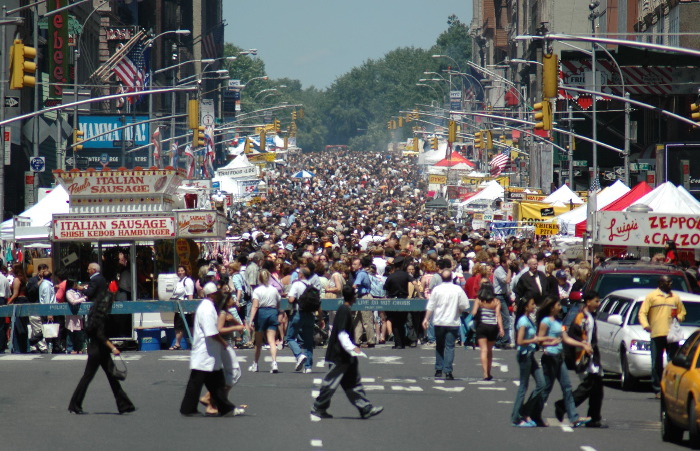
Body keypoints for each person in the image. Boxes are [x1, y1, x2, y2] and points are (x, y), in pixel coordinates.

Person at [311, 284, 384, 420]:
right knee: (331, 382)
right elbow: (342, 334)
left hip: (346, 356)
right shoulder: (344, 311)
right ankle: (318, 406)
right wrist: (353, 348)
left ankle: (365, 408)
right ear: (353, 297)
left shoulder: (344, 309)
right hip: (339, 355)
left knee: (352, 383)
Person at [68, 289, 135, 415]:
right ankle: (74, 404)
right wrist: (113, 347)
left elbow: (93, 332)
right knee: (92, 377)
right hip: (100, 350)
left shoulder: (94, 313)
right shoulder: (103, 316)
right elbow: (101, 335)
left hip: (95, 348)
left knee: (109, 376)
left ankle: (124, 404)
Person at [180, 283, 242, 417]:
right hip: (205, 351)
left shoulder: (206, 307)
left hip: (207, 352)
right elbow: (211, 332)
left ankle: (224, 408)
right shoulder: (208, 309)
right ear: (213, 294)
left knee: (213, 383)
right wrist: (223, 342)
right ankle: (190, 409)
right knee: (200, 383)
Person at [536, 296, 591, 428]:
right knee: (546, 389)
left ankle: (574, 417)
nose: (560, 307)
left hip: (559, 358)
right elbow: (539, 340)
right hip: (550, 358)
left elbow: (566, 339)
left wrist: (582, 344)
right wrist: (550, 341)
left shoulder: (558, 322)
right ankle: (535, 414)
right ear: (551, 307)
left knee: (567, 387)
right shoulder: (545, 321)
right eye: (558, 305)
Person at [555, 291, 606, 428]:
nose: (598, 304)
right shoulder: (581, 317)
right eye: (596, 301)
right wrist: (582, 350)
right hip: (583, 358)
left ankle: (594, 418)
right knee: (586, 388)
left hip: (592, 357)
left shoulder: (590, 316)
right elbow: (573, 337)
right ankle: (562, 405)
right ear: (588, 302)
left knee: (597, 389)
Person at [638, 275, 686, 398]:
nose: (670, 284)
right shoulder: (652, 296)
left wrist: (679, 317)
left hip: (672, 335)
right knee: (656, 363)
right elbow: (642, 313)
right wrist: (646, 325)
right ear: (660, 283)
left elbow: (682, 312)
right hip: (657, 333)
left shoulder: (675, 297)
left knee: (672, 363)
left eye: (670, 282)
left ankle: (671, 388)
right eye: (667, 282)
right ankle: (657, 388)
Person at [200, 291, 245, 416]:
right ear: (226, 300)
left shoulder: (227, 313)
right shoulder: (223, 313)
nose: (234, 300)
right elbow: (219, 329)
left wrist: (236, 323)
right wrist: (235, 327)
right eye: (232, 298)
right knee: (234, 373)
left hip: (226, 344)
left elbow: (239, 326)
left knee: (227, 374)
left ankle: (215, 402)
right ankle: (213, 400)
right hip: (223, 345)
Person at [510, 295, 551, 427]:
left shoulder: (528, 319)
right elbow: (520, 341)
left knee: (541, 384)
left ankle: (525, 410)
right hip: (524, 355)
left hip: (530, 355)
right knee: (523, 387)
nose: (534, 306)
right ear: (526, 306)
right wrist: (534, 340)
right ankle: (516, 417)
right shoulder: (523, 321)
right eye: (532, 304)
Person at [422, 269, 469, 380]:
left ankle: (438, 369)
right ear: (452, 278)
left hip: (439, 321)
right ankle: (448, 371)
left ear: (441, 278)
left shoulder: (437, 289)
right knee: (450, 346)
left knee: (439, 345)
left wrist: (426, 319)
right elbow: (465, 305)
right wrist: (459, 310)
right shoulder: (457, 289)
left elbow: (431, 305)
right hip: (453, 321)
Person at [285, 267, 323, 373]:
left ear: (301, 275)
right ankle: (308, 366)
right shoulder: (313, 286)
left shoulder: (296, 284)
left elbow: (291, 299)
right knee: (308, 341)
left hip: (298, 313)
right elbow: (318, 304)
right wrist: (320, 319)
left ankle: (299, 355)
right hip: (310, 315)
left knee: (290, 337)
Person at [247, 269, 281, 373]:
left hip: (261, 313)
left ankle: (255, 364)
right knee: (271, 340)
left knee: (258, 341)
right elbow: (278, 303)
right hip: (272, 312)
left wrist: (250, 320)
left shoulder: (257, 290)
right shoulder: (274, 290)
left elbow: (255, 305)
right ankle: (274, 362)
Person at [471, 282, 503, 380]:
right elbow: (498, 315)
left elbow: (474, 313)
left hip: (482, 326)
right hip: (492, 327)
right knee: (489, 350)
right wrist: (501, 328)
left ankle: (485, 373)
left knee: (483, 350)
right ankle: (489, 372)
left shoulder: (479, 300)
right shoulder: (496, 301)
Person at [384, 257, 410, 349]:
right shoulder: (406, 275)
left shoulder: (391, 276)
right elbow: (414, 282)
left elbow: (385, 288)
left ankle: (398, 343)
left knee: (395, 322)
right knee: (402, 322)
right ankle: (402, 342)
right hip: (403, 299)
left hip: (393, 300)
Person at [351, 256, 375, 348]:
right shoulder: (359, 273)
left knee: (366, 320)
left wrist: (349, 291)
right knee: (358, 320)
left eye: (355, 264)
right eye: (352, 264)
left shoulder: (361, 274)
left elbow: (355, 285)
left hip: (365, 297)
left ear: (360, 265)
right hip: (360, 297)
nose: (353, 266)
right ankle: (357, 341)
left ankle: (371, 341)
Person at [170, 266, 195, 350]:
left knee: (187, 326)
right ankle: (178, 344)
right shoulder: (179, 282)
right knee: (178, 326)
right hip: (178, 307)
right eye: (179, 271)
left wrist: (191, 309)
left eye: (182, 270)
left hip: (185, 309)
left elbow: (190, 295)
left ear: (185, 271)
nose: (180, 272)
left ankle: (194, 343)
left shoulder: (188, 281)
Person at [8, 263, 29, 353]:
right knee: (24, 326)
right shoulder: (24, 279)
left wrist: (8, 302)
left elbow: (15, 294)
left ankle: (18, 348)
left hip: (19, 301)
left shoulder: (17, 279)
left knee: (18, 326)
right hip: (25, 301)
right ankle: (25, 347)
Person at [493, 256, 513, 349]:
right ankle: (502, 340)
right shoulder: (499, 271)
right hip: (499, 296)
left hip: (505, 295)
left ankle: (502, 338)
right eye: (507, 263)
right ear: (503, 263)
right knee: (505, 318)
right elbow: (507, 280)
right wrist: (509, 270)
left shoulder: (505, 270)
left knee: (506, 318)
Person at [64, 280, 87, 354]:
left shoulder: (78, 291)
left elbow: (84, 296)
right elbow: (73, 301)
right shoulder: (68, 292)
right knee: (71, 331)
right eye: (75, 283)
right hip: (71, 314)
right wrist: (83, 299)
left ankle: (79, 348)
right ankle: (70, 348)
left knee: (79, 332)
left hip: (79, 314)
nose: (76, 285)